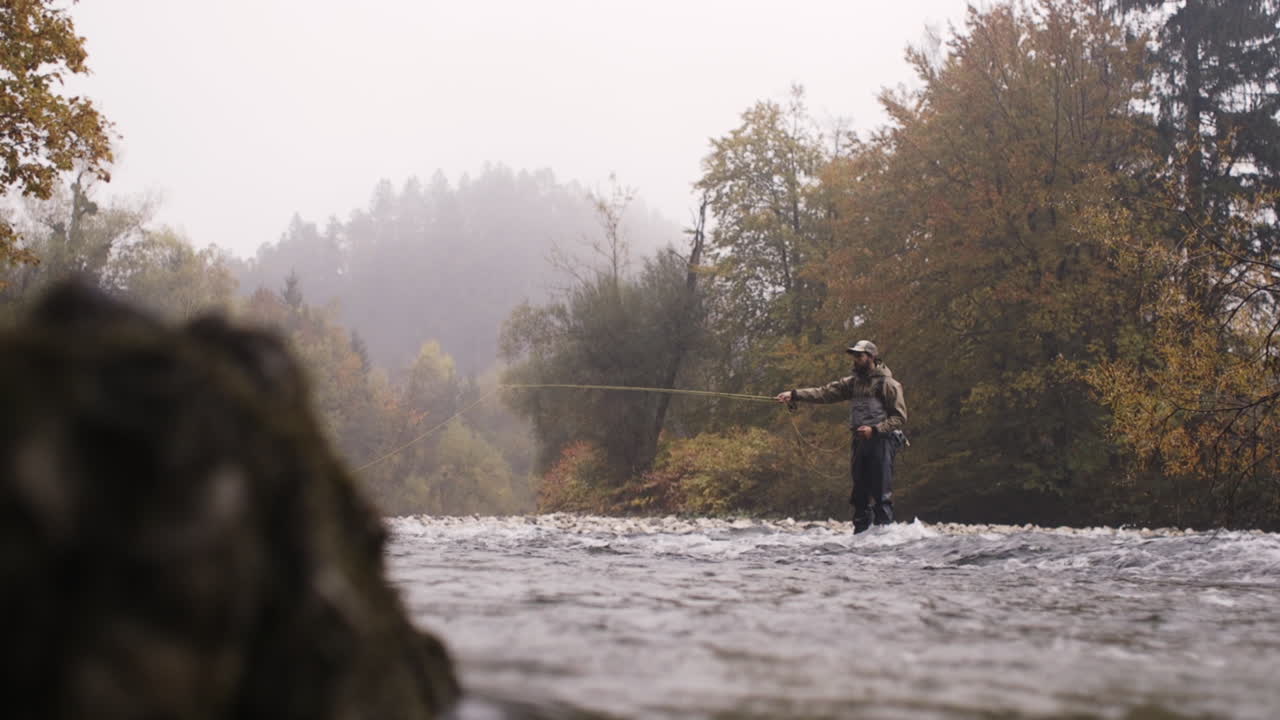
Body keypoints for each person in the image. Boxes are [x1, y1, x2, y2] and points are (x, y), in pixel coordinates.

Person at [776, 340, 907, 533]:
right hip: (860, 443)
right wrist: (794, 395)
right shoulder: (852, 383)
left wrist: (875, 429)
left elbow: (899, 418)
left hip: (882, 442)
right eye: (854, 355)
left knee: (881, 495)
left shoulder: (888, 384)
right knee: (859, 494)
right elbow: (823, 393)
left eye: (859, 356)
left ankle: (885, 540)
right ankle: (861, 538)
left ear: (871, 357)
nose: (855, 359)